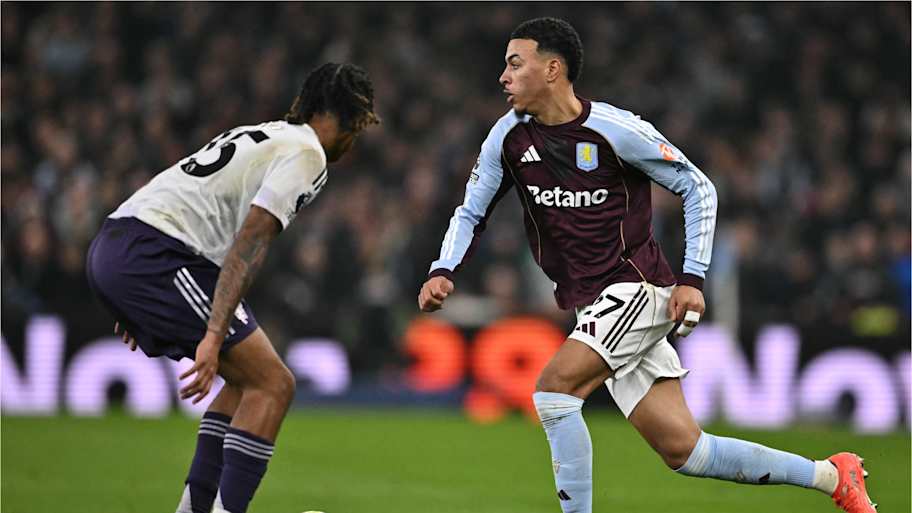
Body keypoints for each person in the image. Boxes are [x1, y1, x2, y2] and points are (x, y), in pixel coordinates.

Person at [418, 17, 876, 513]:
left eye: (514, 64)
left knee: (554, 391)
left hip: (634, 289)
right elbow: (471, 210)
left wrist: (692, 278)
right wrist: (443, 268)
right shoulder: (507, 138)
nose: (503, 77)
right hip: (593, 304)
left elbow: (697, 186)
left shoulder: (615, 130)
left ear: (552, 69)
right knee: (687, 450)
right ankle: (833, 475)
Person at [86, 63, 379, 513]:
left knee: (245, 383)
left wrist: (132, 290)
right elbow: (251, 239)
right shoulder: (308, 154)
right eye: (357, 125)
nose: (354, 140)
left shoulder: (267, 133)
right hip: (155, 254)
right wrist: (212, 334)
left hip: (125, 243)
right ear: (342, 116)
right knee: (274, 384)